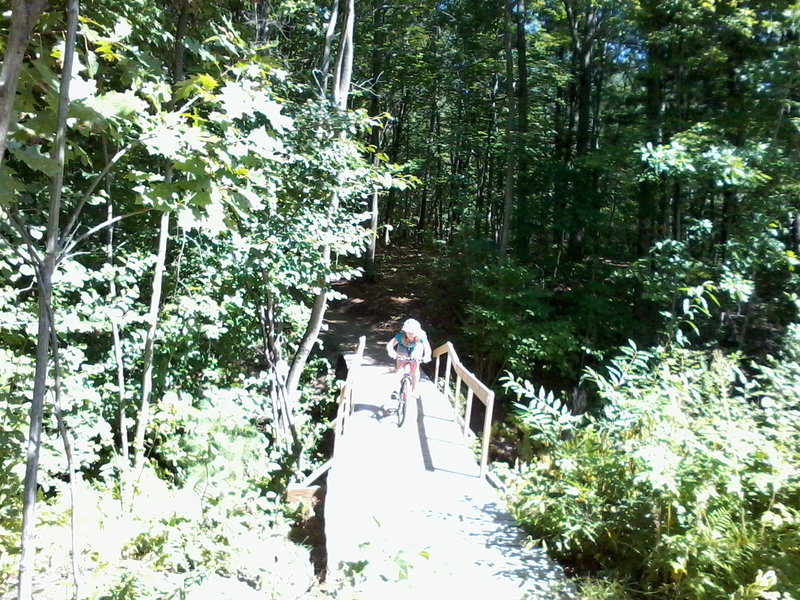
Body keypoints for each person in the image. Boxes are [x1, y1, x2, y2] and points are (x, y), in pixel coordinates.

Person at [386, 318, 432, 394]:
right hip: (403, 347)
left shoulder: (421, 336)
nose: (410, 335)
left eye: (412, 333)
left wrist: (427, 356)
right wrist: (392, 352)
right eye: (408, 332)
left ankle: (414, 389)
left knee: (415, 367)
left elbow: (427, 347)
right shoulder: (400, 336)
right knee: (400, 367)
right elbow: (389, 345)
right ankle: (396, 389)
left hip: (416, 347)